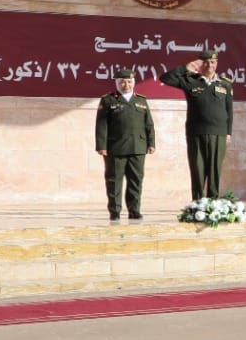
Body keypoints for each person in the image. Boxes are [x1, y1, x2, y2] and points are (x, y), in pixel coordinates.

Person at [160, 50, 233, 201]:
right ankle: (197, 203)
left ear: (217, 63)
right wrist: (186, 68)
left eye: (212, 62)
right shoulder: (190, 80)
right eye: (205, 62)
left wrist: (228, 132)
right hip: (196, 132)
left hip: (218, 133)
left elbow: (229, 110)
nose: (209, 65)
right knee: (198, 170)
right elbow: (165, 78)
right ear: (200, 64)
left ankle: (213, 204)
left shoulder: (225, 83)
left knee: (215, 170)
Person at [94, 67, 155, 221]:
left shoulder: (141, 100)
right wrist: (101, 146)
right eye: (122, 82)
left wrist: (151, 143)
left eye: (129, 82)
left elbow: (149, 124)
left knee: (136, 181)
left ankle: (134, 210)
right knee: (114, 181)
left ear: (133, 82)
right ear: (117, 83)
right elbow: (101, 125)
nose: (126, 85)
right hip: (115, 148)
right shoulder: (108, 100)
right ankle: (115, 211)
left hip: (137, 147)